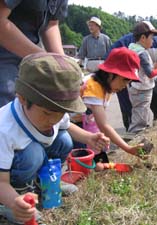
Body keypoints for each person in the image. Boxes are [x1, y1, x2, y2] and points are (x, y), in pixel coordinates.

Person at [0, 52, 110, 224]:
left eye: (61, 113)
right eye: (47, 113)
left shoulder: (53, 111)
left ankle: (47, 183)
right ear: (22, 98)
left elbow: (66, 125)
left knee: (64, 139)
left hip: (33, 160)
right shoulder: (5, 129)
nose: (54, 120)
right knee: (33, 153)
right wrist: (14, 202)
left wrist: (89, 137)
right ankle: (16, 200)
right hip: (8, 179)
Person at [80, 47, 145, 171]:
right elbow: (103, 125)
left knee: (100, 164)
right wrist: (128, 148)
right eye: (123, 81)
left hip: (87, 126)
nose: (124, 87)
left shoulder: (107, 87)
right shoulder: (93, 86)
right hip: (74, 129)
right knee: (87, 167)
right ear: (110, 74)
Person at [0, 0, 68, 108]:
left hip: (32, 56)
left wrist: (63, 64)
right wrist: (44, 58)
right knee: (8, 103)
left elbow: (51, 24)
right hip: (4, 55)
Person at [127, 21, 157, 134]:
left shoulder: (133, 49)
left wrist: (156, 66)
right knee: (141, 119)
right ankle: (135, 139)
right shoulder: (142, 53)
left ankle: (136, 136)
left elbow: (143, 70)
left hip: (134, 87)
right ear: (143, 37)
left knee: (138, 113)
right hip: (142, 90)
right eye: (152, 38)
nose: (153, 41)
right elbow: (150, 74)